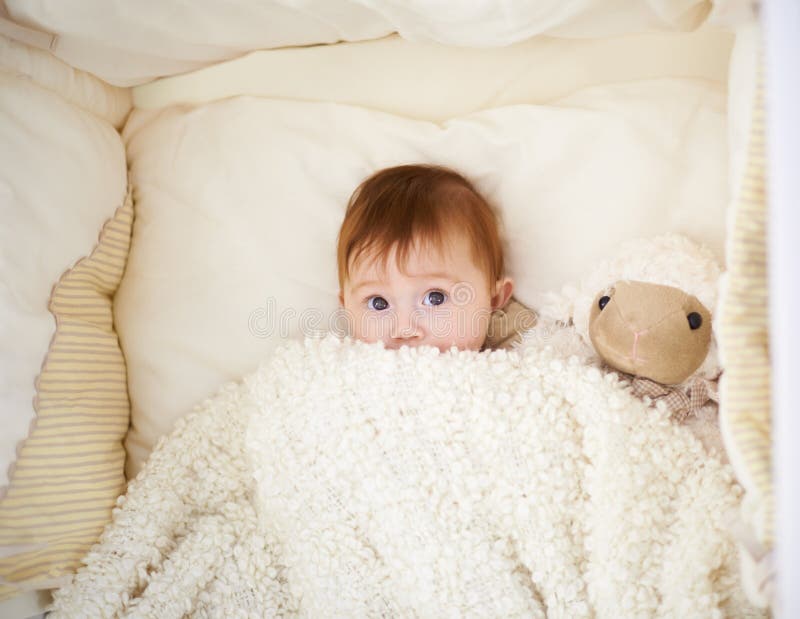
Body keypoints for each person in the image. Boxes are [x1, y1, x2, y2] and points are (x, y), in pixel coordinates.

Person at [337, 164, 515, 351]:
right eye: (378, 303)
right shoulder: (338, 369)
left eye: (435, 298)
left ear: (494, 298)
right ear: (346, 308)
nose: (404, 329)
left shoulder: (522, 360)